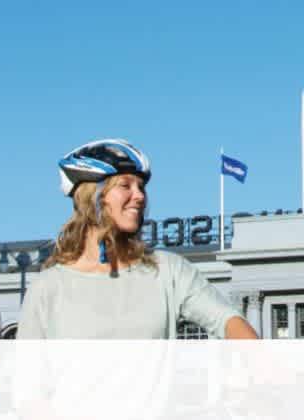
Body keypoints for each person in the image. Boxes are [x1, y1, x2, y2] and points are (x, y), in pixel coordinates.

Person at [17, 138, 257, 339]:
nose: (139, 196)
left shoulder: (168, 271)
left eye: (141, 187)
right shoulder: (47, 288)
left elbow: (226, 319)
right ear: (92, 196)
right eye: (125, 185)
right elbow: (28, 382)